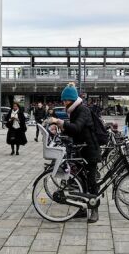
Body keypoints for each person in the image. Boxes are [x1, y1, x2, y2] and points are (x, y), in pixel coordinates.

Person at [49, 83, 100, 223]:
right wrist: (60, 127)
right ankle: (82, 209)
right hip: (81, 149)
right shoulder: (73, 110)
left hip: (90, 149)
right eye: (63, 100)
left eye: (66, 100)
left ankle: (94, 210)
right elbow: (73, 130)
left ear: (72, 99)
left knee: (90, 180)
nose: (64, 103)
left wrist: (59, 121)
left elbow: (77, 128)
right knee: (81, 180)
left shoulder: (82, 110)